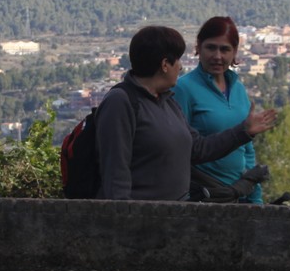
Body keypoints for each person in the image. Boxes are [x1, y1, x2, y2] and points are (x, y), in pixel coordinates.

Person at [95, 25, 276, 200]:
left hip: (173, 213)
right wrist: (124, 215)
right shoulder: (121, 102)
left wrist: (244, 131)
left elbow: (197, 149)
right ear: (165, 64)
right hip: (141, 215)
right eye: (178, 60)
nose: (180, 67)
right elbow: (115, 171)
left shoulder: (168, 102)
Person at [172, 16, 266, 204]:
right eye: (211, 48)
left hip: (237, 196)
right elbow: (179, 148)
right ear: (198, 48)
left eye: (225, 49)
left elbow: (247, 149)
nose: (217, 56)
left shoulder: (238, 89)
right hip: (202, 197)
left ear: (235, 52)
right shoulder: (183, 89)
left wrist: (254, 197)